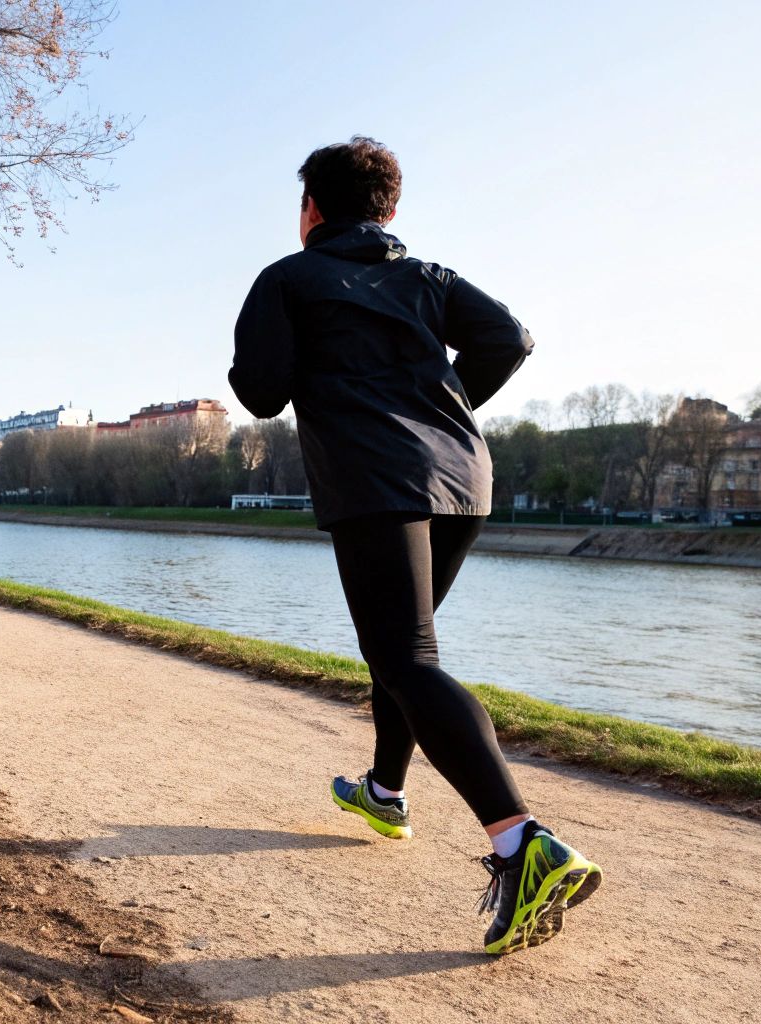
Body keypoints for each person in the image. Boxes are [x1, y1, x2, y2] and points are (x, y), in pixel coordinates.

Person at [228, 136, 601, 955]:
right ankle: (386, 791)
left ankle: (523, 842)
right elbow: (510, 336)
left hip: (375, 477)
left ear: (310, 210)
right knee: (403, 651)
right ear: (390, 210)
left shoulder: (287, 278)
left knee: (407, 659)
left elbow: (258, 393)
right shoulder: (427, 276)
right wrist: (441, 398)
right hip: (463, 477)